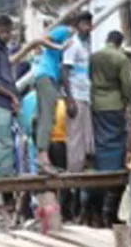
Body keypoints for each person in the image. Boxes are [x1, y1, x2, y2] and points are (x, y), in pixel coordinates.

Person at [90, 29, 131, 224]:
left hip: (96, 104)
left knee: (101, 142)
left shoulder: (94, 57)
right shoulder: (121, 58)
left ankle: (100, 171)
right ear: (120, 42)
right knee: (116, 141)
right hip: (114, 104)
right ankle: (112, 175)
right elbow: (127, 84)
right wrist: (129, 102)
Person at [34, 18, 74, 171]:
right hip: (46, 75)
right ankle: (43, 158)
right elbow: (42, 40)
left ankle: (42, 158)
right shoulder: (65, 31)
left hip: (49, 77)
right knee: (48, 116)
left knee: (42, 116)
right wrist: (59, 46)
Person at [0, 15, 21, 179]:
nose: (6, 36)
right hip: (0, 102)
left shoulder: (4, 51)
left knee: (8, 141)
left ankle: (6, 177)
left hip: (7, 102)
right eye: (3, 32)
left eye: (8, 32)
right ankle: (4, 180)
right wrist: (12, 96)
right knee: (2, 143)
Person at [63, 12, 95, 175]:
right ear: (77, 26)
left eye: (89, 24)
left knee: (85, 135)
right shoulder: (73, 45)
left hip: (85, 94)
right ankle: (74, 172)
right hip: (75, 94)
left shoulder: (87, 45)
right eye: (84, 24)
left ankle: (82, 168)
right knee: (75, 135)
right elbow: (65, 71)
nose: (87, 28)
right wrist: (69, 99)